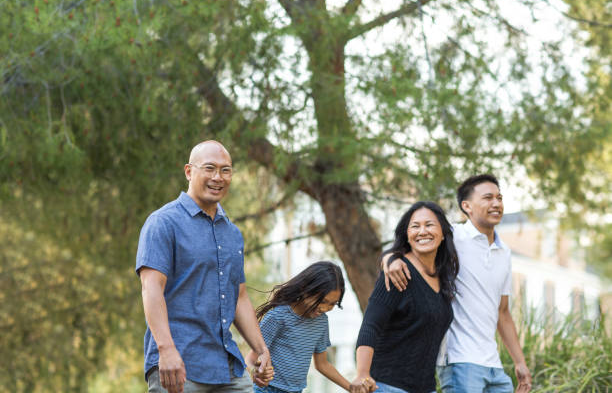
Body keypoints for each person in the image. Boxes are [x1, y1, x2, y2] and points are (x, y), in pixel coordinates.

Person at [136, 140, 271, 393]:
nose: (218, 177)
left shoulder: (232, 233)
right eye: (209, 168)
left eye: (225, 170)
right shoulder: (163, 223)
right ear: (189, 171)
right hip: (178, 364)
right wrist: (166, 350)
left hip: (226, 366)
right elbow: (150, 288)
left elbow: (239, 297)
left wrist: (261, 349)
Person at [382, 174, 532, 393]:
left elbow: (503, 312)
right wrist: (390, 260)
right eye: (488, 198)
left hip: (493, 364)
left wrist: (520, 362)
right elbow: (404, 246)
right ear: (467, 206)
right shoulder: (451, 236)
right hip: (459, 360)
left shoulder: (504, 253)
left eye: (499, 198)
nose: (496, 203)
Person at [351, 201, 460, 393]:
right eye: (415, 226)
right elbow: (371, 325)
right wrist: (362, 374)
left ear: (443, 233)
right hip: (386, 386)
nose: (422, 231)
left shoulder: (443, 277)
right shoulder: (397, 272)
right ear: (407, 236)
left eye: (430, 225)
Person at [247, 261, 365, 393]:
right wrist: (256, 372)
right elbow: (251, 358)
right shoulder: (278, 316)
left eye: (332, 304)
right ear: (305, 289)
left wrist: (351, 387)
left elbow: (323, 364)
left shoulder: (321, 322)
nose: (325, 308)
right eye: (322, 300)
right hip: (267, 390)